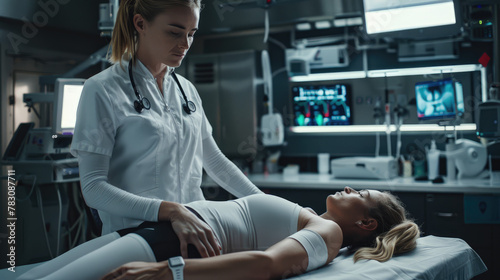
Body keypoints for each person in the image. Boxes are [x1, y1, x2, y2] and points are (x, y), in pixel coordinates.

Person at [69, 0, 263, 259]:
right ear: (140, 24)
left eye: (191, 34)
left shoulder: (186, 89)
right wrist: (170, 211)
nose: (185, 44)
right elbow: (93, 188)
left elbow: (215, 161)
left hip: (196, 232)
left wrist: (270, 205)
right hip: (135, 238)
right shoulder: (102, 89)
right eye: (174, 32)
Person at [17, 187, 420, 280]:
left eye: (360, 194)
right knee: (28, 274)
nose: (349, 189)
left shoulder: (329, 232)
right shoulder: (314, 217)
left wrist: (169, 272)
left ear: (366, 224)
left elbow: (267, 264)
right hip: (159, 229)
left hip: (167, 244)